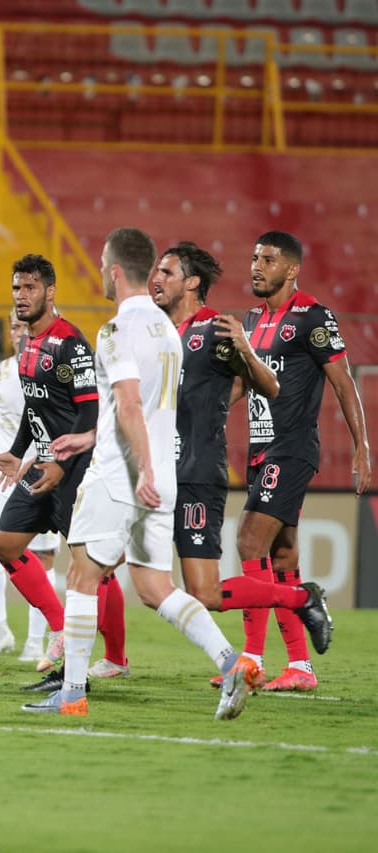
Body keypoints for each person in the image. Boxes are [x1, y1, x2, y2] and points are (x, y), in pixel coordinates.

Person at [22, 227, 324, 720]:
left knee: (80, 576)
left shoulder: (118, 329)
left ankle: (71, 693)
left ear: (116, 270)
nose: (99, 272)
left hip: (124, 475)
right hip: (164, 477)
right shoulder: (167, 332)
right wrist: (95, 438)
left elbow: (130, 403)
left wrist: (135, 465)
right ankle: (231, 661)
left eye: (102, 264)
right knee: (155, 587)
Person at [147, 242, 330, 692]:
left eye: (167, 272)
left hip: (196, 472)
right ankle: (89, 660)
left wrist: (246, 352)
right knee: (117, 570)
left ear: (192, 282)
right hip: (159, 474)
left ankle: (291, 611)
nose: (157, 278)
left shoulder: (215, 330)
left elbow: (268, 385)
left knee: (208, 589)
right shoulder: (155, 332)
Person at [232, 230, 367, 691]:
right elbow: (243, 385)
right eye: (254, 258)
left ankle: (249, 659)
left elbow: (344, 382)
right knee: (281, 553)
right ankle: (300, 668)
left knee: (249, 542)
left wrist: (362, 446)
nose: (256, 266)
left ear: (291, 269)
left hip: (291, 449)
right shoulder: (250, 320)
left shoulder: (313, 316)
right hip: (258, 449)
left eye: (268, 260)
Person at [0, 255, 123, 685]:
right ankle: (62, 626)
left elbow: (90, 414)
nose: (21, 296)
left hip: (75, 471)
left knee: (94, 566)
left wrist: (62, 467)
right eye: (16, 288)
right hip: (39, 465)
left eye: (29, 288)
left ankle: (114, 657)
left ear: (50, 291)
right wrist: (15, 451)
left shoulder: (70, 344)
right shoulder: (26, 343)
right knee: (4, 544)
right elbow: (34, 407)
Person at [0, 310, 61, 663]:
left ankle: (37, 640)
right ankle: (0, 630)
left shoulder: (53, 370)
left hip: (41, 471)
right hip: (3, 472)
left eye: (25, 325)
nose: (19, 332)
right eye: (14, 326)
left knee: (42, 556)